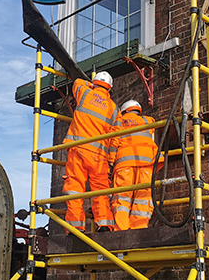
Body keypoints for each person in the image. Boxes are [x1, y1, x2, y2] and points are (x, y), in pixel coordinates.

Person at [62, 71, 119, 233]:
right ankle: (104, 224)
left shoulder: (85, 92)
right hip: (99, 155)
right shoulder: (114, 109)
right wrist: (111, 158)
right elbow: (116, 136)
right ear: (110, 88)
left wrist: (89, 85)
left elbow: (77, 81)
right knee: (101, 190)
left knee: (74, 188)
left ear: (94, 82)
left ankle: (76, 227)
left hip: (78, 148)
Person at [109, 99, 160, 231]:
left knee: (122, 199)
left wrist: (110, 161)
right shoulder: (149, 121)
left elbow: (114, 142)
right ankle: (138, 230)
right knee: (143, 199)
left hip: (124, 164)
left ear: (124, 110)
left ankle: (121, 230)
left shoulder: (119, 121)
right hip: (146, 165)